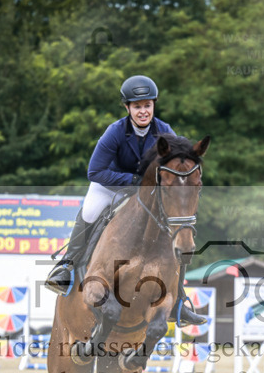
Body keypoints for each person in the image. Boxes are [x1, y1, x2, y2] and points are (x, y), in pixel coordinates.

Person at [45, 75, 206, 327]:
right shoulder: (115, 132)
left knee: (176, 228)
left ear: (153, 105)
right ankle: (67, 265)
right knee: (90, 212)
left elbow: (178, 166)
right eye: (137, 106)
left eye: (147, 105)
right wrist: (132, 180)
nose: (143, 111)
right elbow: (95, 171)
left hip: (147, 192)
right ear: (127, 108)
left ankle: (179, 300)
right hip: (110, 185)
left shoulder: (165, 131)